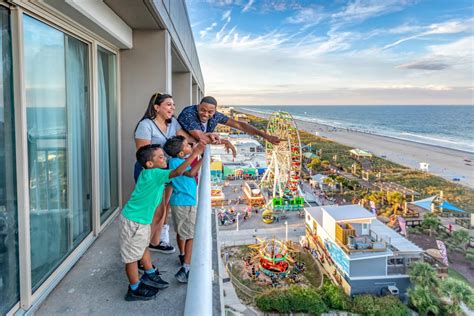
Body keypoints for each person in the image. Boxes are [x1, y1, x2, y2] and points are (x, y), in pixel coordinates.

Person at [119, 142, 205, 301]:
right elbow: (179, 171)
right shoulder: (155, 174)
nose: (164, 158)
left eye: (164, 155)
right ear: (150, 163)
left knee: (143, 247)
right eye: (160, 157)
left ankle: (150, 273)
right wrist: (195, 154)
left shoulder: (150, 173)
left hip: (140, 221)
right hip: (134, 222)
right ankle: (134, 288)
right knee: (131, 257)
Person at [163, 136, 203, 283]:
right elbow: (191, 174)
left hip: (179, 201)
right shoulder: (178, 162)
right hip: (186, 202)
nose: (190, 147)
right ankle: (186, 267)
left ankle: (183, 254)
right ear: (181, 153)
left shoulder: (174, 161)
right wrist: (202, 157)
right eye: (187, 146)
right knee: (191, 235)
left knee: (182, 232)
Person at [177, 96, 281, 146]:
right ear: (198, 106)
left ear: (215, 111)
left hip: (193, 151)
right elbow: (202, 138)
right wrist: (225, 142)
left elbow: (240, 125)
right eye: (202, 110)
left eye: (210, 112)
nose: (205, 114)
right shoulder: (189, 113)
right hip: (178, 152)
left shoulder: (216, 116)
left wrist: (265, 136)